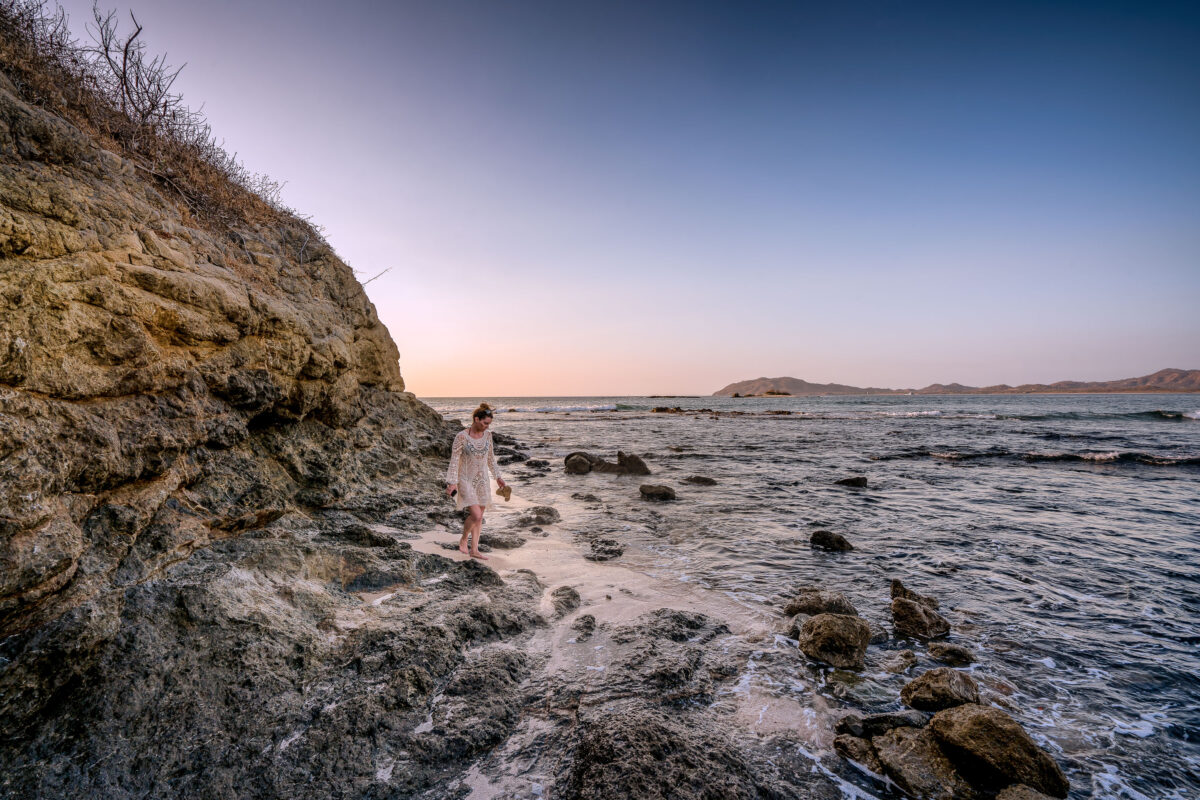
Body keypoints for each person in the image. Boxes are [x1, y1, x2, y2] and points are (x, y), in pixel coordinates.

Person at [445, 403, 507, 559]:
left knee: (480, 516)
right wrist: (452, 482)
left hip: (482, 480)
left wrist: (498, 477)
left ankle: (474, 549)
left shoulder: (488, 436)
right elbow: (454, 460)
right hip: (465, 480)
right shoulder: (461, 437)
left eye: (489, 424)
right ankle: (464, 539)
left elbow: (491, 459)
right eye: (485, 423)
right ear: (476, 419)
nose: (487, 426)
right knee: (476, 515)